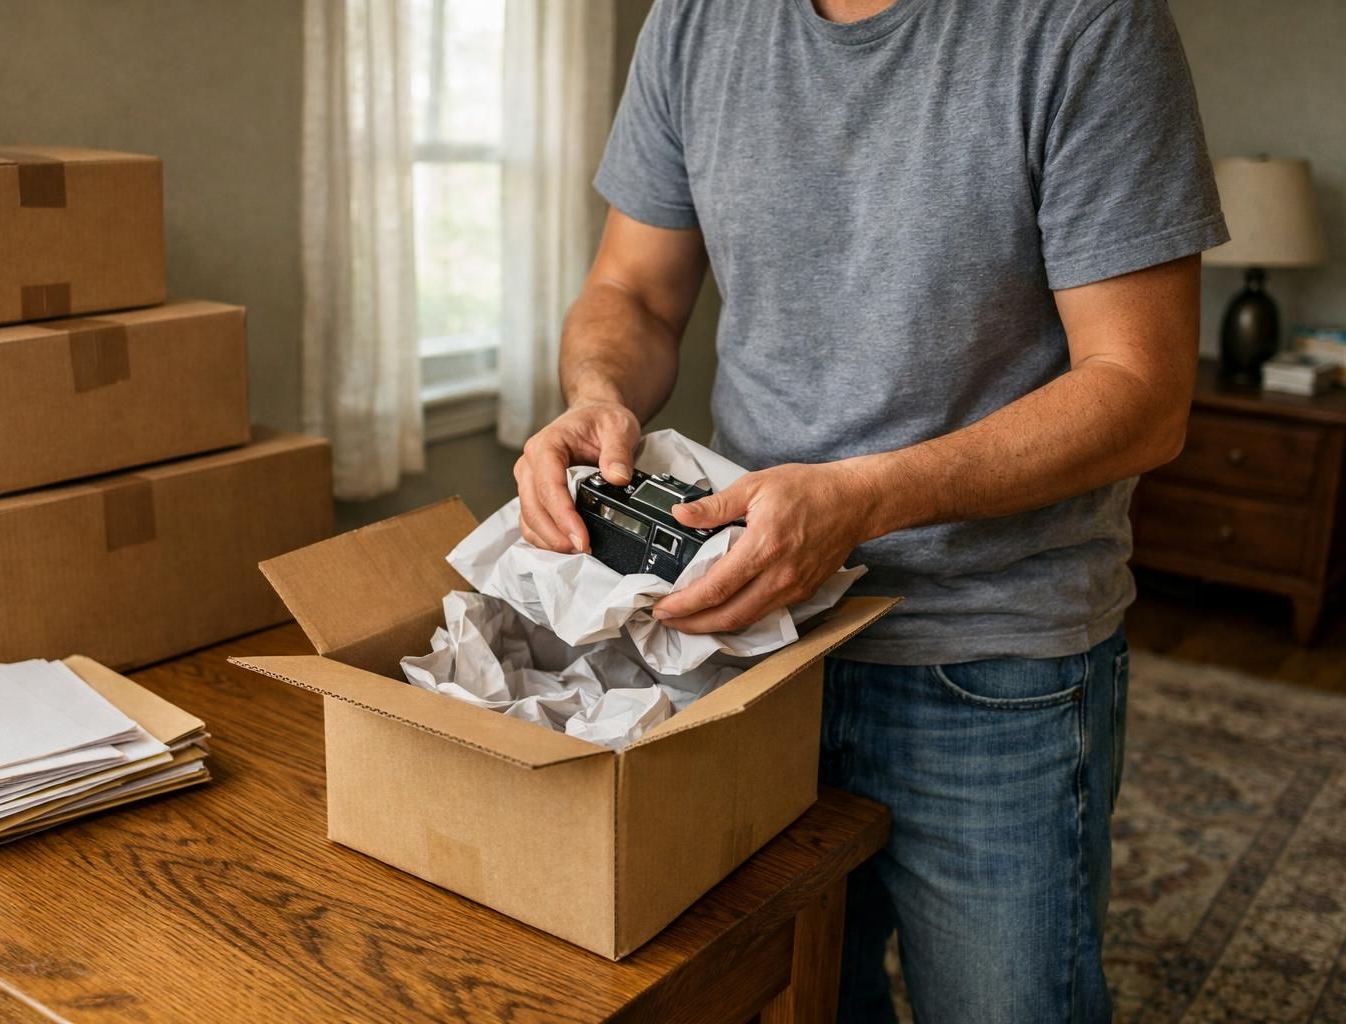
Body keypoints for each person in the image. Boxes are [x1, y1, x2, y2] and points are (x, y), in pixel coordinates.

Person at [513, 0, 1228, 1020]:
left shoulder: (1087, 23)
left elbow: (1143, 393)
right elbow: (631, 290)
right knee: (787, 996)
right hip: (754, 641)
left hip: (992, 657)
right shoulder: (694, 22)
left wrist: (861, 499)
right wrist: (598, 397)